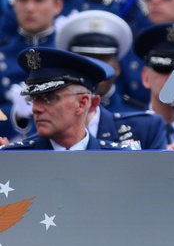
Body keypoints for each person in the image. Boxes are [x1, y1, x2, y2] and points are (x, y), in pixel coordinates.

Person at [55, 9, 167, 148]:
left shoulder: (141, 120)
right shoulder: (54, 115)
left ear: (118, 67)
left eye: (103, 59)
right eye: (85, 59)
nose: (94, 68)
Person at [0, 0, 78, 139]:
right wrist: (15, 114)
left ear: (58, 4)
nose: (29, 7)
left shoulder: (71, 52)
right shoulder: (3, 52)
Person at [1, 47, 130, 150]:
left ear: (82, 103)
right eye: (34, 99)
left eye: (48, 98)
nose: (36, 108)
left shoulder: (119, 159)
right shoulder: (16, 160)